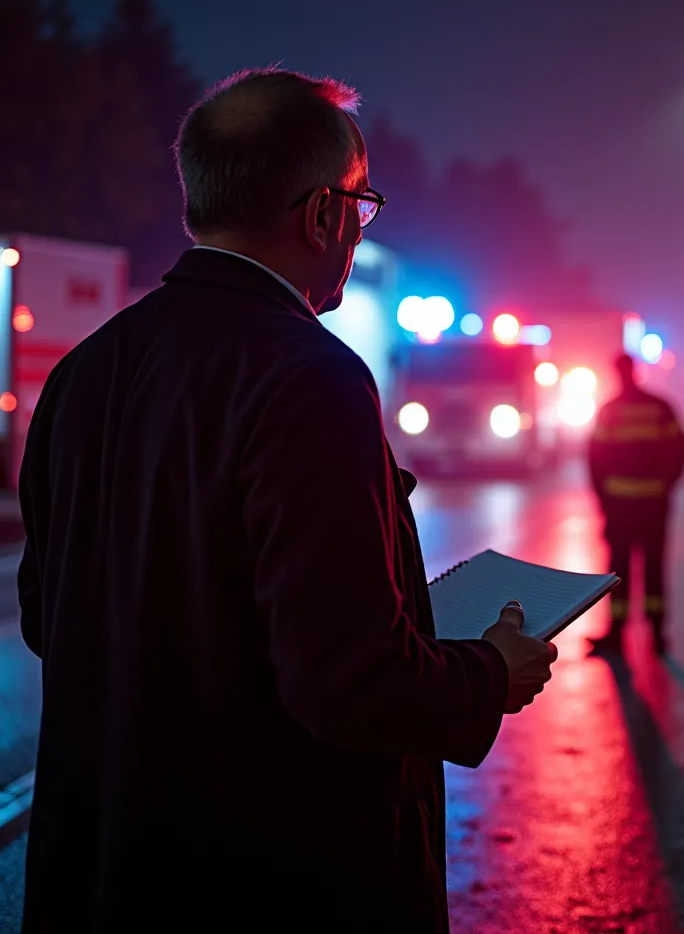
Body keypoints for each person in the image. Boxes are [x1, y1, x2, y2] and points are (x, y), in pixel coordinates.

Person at [17, 69, 557, 933]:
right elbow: (346, 682)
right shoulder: (309, 378)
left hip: (105, 872)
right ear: (321, 216)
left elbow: (51, 617)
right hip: (272, 882)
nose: (357, 227)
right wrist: (489, 670)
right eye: (360, 203)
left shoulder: (86, 372)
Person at [587, 353, 684, 656]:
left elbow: (595, 457)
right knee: (654, 566)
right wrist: (667, 486)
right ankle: (657, 634)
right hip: (653, 503)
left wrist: (603, 498)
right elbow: (680, 449)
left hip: (621, 505)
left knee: (618, 568)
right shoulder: (659, 407)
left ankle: (618, 633)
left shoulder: (610, 410)